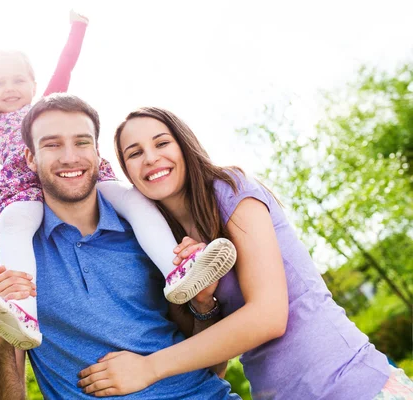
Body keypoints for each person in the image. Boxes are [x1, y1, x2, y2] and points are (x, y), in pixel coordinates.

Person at [0, 12, 236, 350]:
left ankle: (177, 270)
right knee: (13, 223)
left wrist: (77, 26)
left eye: (19, 80)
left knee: (132, 199)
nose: (10, 88)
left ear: (34, 87)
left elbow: (64, 67)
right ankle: (21, 312)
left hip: (80, 176)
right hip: (26, 190)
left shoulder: (49, 110)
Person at [76, 106, 413, 399]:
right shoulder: (169, 252)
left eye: (162, 143)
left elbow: (268, 317)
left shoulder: (229, 189)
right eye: (134, 153)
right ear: (128, 173)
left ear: (184, 144)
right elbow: (214, 367)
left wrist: (148, 368)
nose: (150, 158)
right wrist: (204, 303)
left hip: (351, 385)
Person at [0, 93, 241, 399]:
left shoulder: (150, 238)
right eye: (52, 144)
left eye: (82, 142)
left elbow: (215, 369)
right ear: (30, 158)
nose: (70, 157)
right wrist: (1, 335)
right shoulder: (6, 268)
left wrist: (203, 305)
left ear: (98, 153)